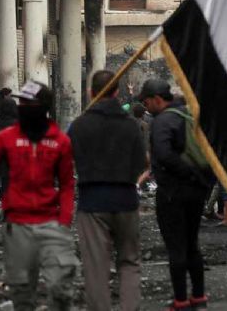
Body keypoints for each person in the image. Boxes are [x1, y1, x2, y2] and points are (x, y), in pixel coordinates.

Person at [0, 81, 78, 310]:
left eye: (27, 103)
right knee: (22, 293)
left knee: (62, 289)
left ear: (42, 107)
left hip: (51, 223)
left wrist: (64, 221)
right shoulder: (6, 138)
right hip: (17, 224)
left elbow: (68, 185)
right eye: (21, 103)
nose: (22, 108)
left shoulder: (60, 141)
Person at [69, 70, 146, 311]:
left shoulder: (79, 126)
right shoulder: (131, 125)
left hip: (92, 202)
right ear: (116, 92)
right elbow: (141, 163)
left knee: (95, 267)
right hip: (126, 199)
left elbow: (66, 159)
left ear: (91, 92)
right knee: (129, 261)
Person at [138, 79, 211, 311]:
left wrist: (186, 173)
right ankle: (199, 297)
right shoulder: (189, 114)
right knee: (192, 244)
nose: (146, 107)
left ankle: (180, 300)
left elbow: (164, 155)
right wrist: (198, 178)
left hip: (173, 193)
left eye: (147, 102)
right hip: (197, 191)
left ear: (157, 99)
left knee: (176, 247)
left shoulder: (162, 121)